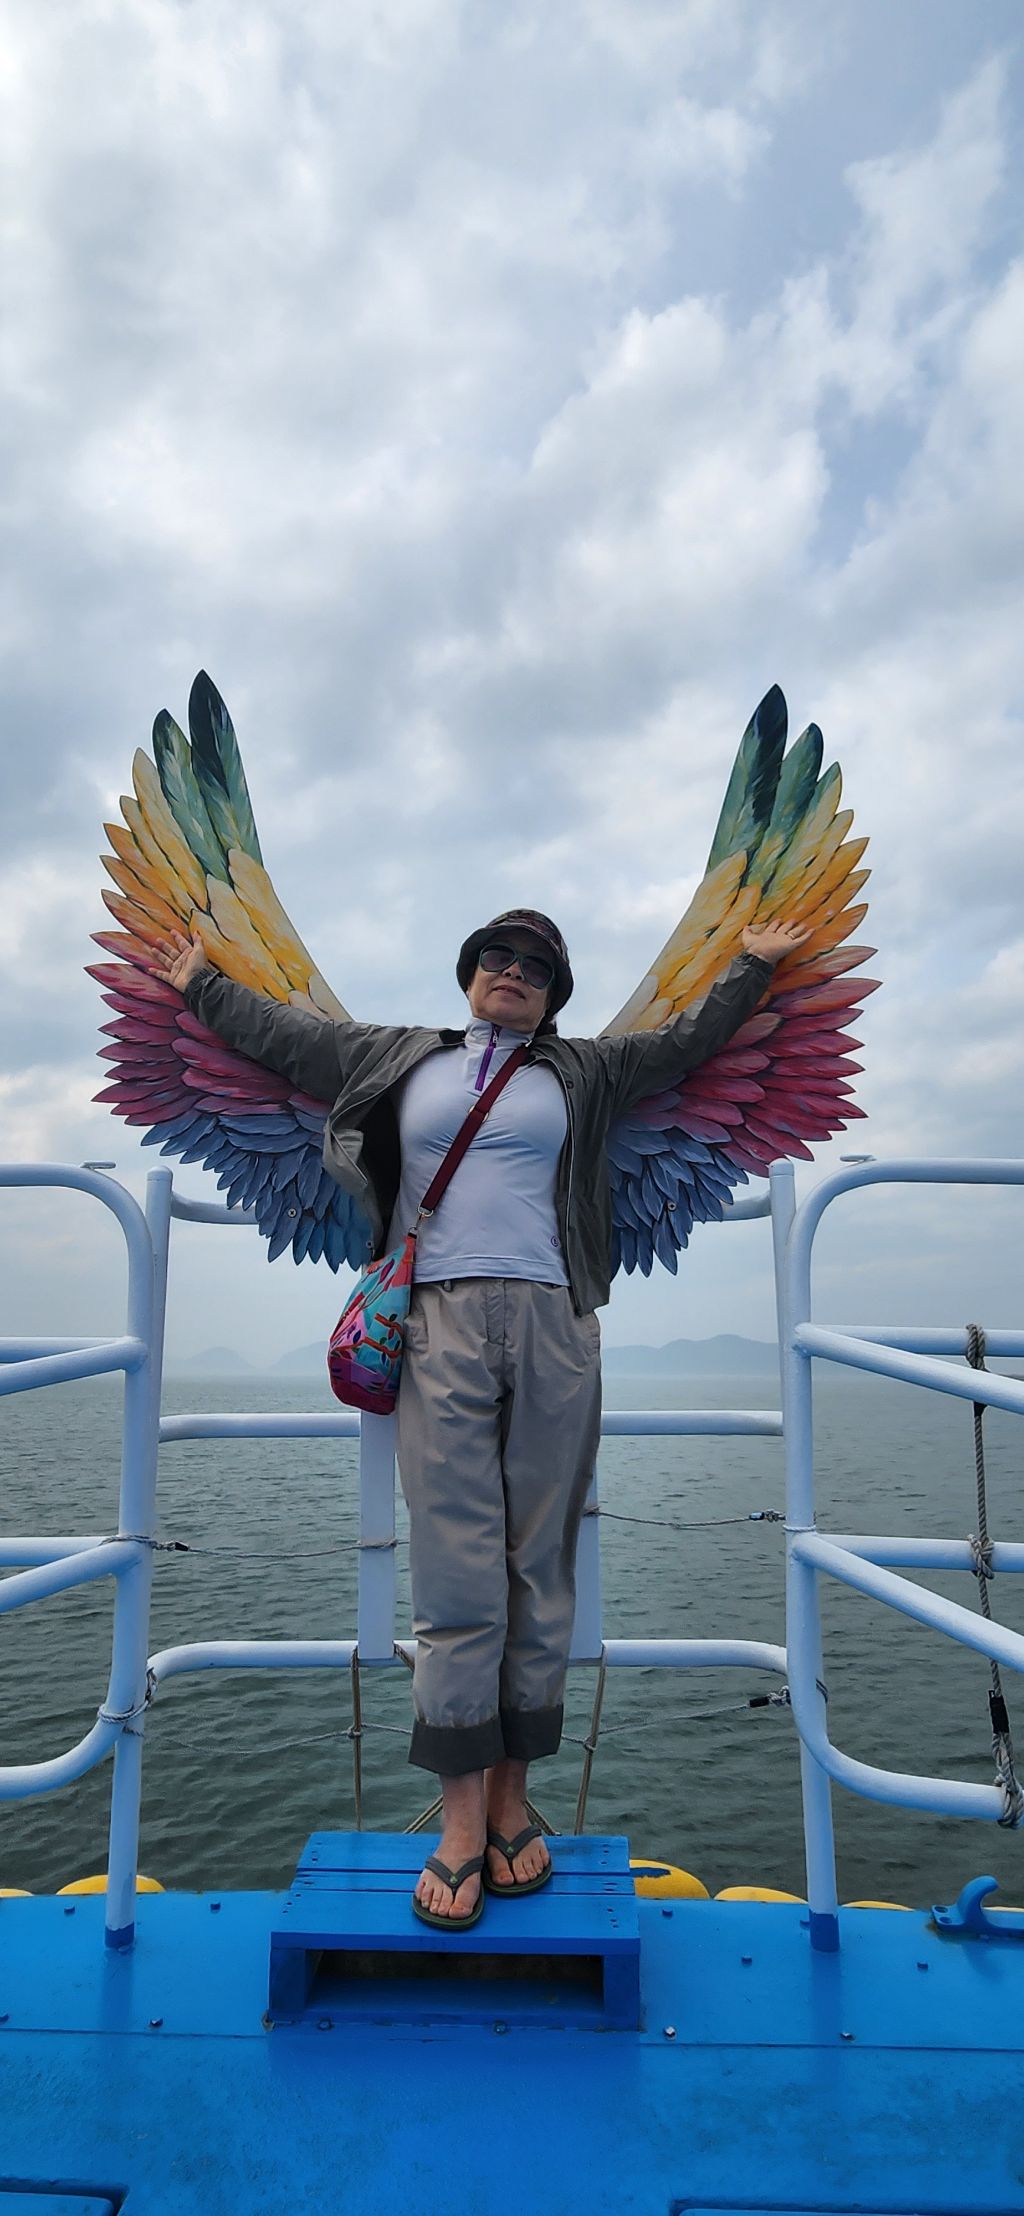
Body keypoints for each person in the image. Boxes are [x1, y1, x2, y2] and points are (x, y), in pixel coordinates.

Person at [154, 906, 807, 1927]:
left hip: (554, 1319)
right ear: (469, 974)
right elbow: (282, 1036)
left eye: (537, 968)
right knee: (455, 1567)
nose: (515, 973)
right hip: (438, 1319)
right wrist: (200, 983)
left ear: (554, 996)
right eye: (498, 958)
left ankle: (512, 1802)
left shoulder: (584, 1070)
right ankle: (461, 1823)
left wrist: (750, 969)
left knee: (539, 1562)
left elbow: (686, 1043)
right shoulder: (396, 1055)